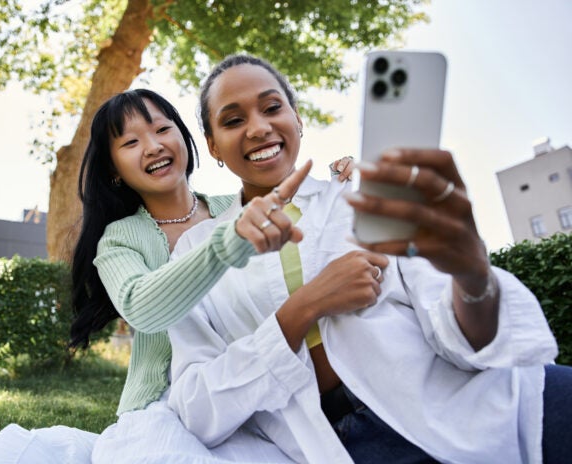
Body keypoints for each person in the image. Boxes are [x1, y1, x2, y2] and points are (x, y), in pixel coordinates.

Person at [166, 53, 572, 463]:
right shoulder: (197, 252)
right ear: (213, 145)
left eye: (273, 108)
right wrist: (305, 306)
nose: (258, 128)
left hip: (457, 405)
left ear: (298, 119)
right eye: (233, 120)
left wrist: (472, 277)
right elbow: (197, 407)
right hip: (335, 444)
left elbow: (463, 339)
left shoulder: (363, 200)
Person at [0, 87, 354, 463]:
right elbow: (142, 306)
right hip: (164, 403)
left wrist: (339, 189)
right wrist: (227, 243)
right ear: (114, 170)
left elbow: (301, 248)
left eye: (162, 129)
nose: (152, 146)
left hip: (251, 389)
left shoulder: (233, 205)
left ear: (187, 139)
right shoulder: (120, 239)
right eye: (130, 143)